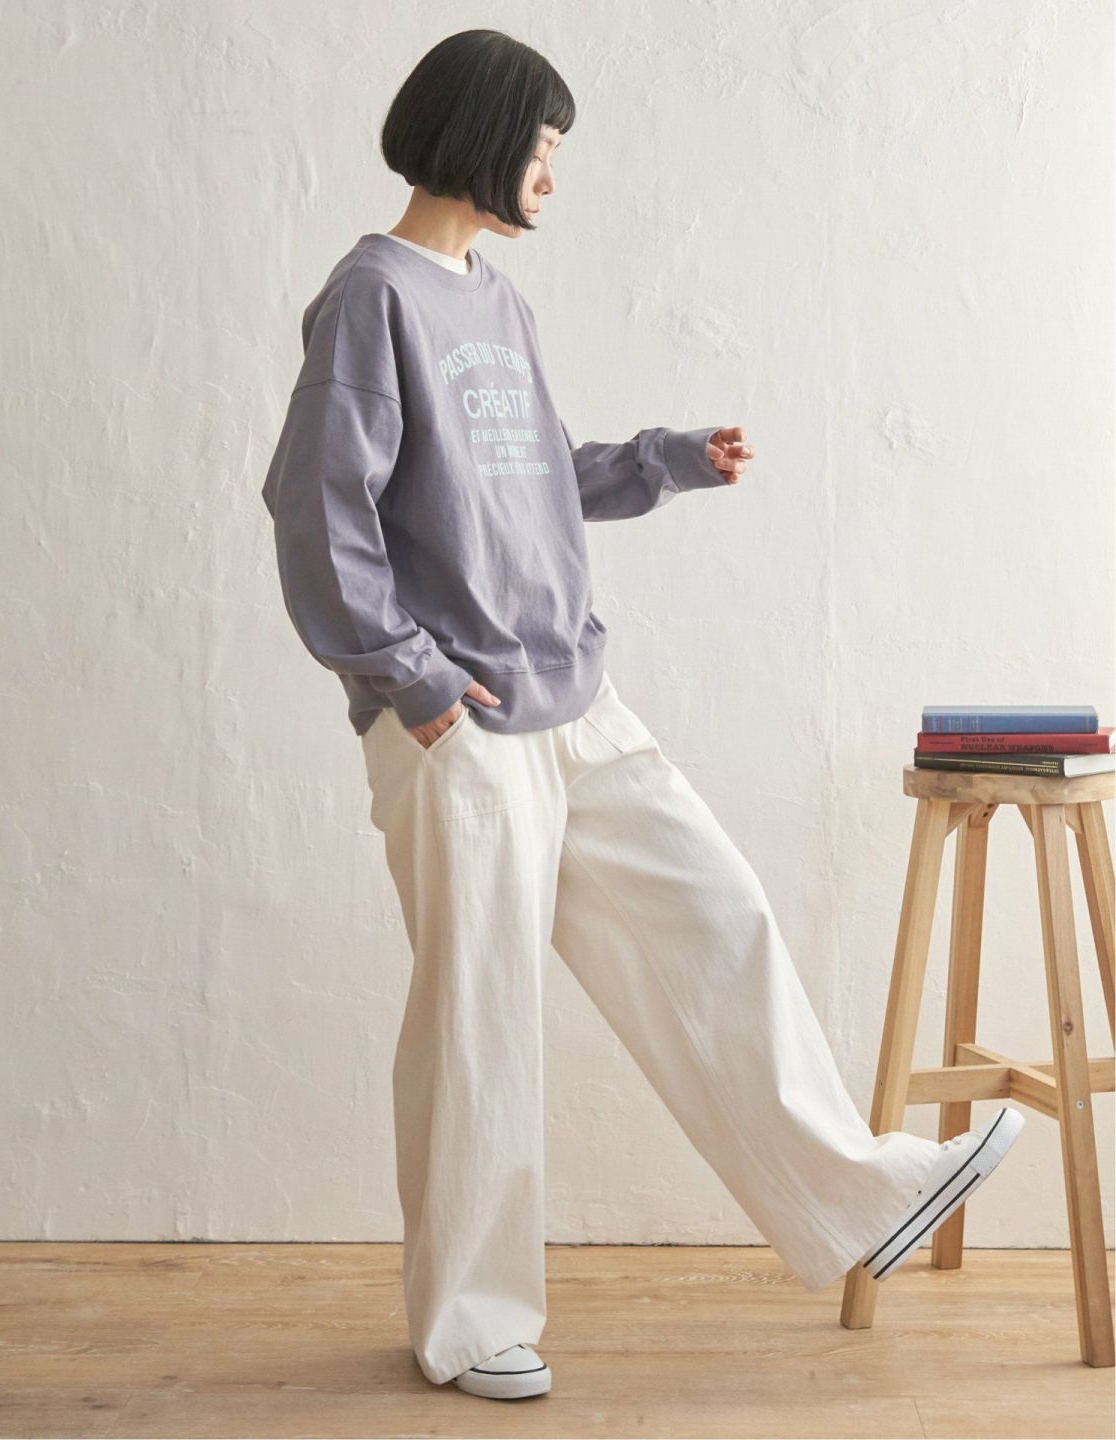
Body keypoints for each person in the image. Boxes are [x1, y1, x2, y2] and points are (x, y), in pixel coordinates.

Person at [260, 28, 1025, 1403]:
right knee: (481, 1016)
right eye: (542, 146)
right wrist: (409, 682)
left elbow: (533, 477)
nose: (552, 174)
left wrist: (664, 462)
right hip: (459, 720)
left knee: (714, 920)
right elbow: (316, 514)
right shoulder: (371, 296)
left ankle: (860, 1194)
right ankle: (471, 1321)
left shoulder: (495, 303)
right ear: (481, 134)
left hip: (570, 688)